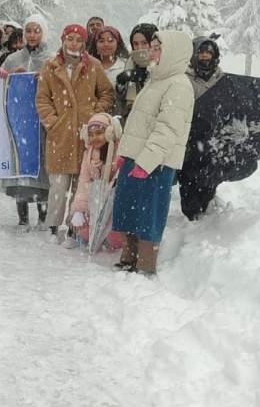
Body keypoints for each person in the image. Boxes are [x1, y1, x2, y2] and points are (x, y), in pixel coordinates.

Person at [111, 30, 195, 277]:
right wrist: (126, 154)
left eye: (158, 48)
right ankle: (129, 256)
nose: (152, 53)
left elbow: (167, 130)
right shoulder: (155, 79)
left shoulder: (179, 85)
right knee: (128, 208)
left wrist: (146, 162)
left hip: (155, 163)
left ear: (173, 53)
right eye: (153, 47)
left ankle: (145, 263)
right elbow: (139, 122)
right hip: (134, 157)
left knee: (149, 212)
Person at [35, 24, 115, 244]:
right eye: (70, 39)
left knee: (81, 185)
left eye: (78, 40)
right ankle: (53, 226)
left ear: (84, 43)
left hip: (85, 136)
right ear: (62, 40)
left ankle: (74, 227)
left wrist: (95, 117)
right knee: (58, 185)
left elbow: (107, 93)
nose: (73, 43)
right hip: (60, 136)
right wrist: (53, 122)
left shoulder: (94, 66)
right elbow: (42, 99)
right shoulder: (50, 66)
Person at [0, 14, 54, 228]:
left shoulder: (52, 58)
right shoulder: (13, 59)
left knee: (42, 166)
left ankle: (43, 216)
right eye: (28, 30)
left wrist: (46, 78)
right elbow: (0, 84)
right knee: (20, 167)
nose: (32, 35)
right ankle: (22, 218)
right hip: (21, 121)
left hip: (41, 121)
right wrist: (10, 77)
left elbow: (61, 85)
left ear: (44, 33)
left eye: (36, 30)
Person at [180, 34, 227, 219]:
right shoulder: (184, 78)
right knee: (188, 178)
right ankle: (190, 217)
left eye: (209, 52)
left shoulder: (222, 80)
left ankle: (206, 207)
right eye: (201, 52)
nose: (205, 56)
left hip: (212, 139)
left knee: (209, 179)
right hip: (189, 140)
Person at [69, 113, 124, 251]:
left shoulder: (122, 151)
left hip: (116, 202)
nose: (94, 138)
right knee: (86, 233)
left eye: (99, 133)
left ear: (111, 132)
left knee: (116, 239)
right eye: (91, 134)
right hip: (96, 203)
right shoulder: (89, 155)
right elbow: (84, 182)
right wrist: (79, 210)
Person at [116, 23, 158, 122]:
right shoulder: (130, 62)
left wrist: (145, 79)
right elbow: (121, 102)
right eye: (136, 44)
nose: (140, 48)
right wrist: (121, 84)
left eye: (144, 43)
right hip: (132, 119)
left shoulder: (163, 63)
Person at [88, 25, 130, 91]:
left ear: (117, 43)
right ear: (95, 44)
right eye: (101, 41)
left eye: (110, 41)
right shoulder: (87, 65)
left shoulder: (126, 65)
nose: (106, 44)